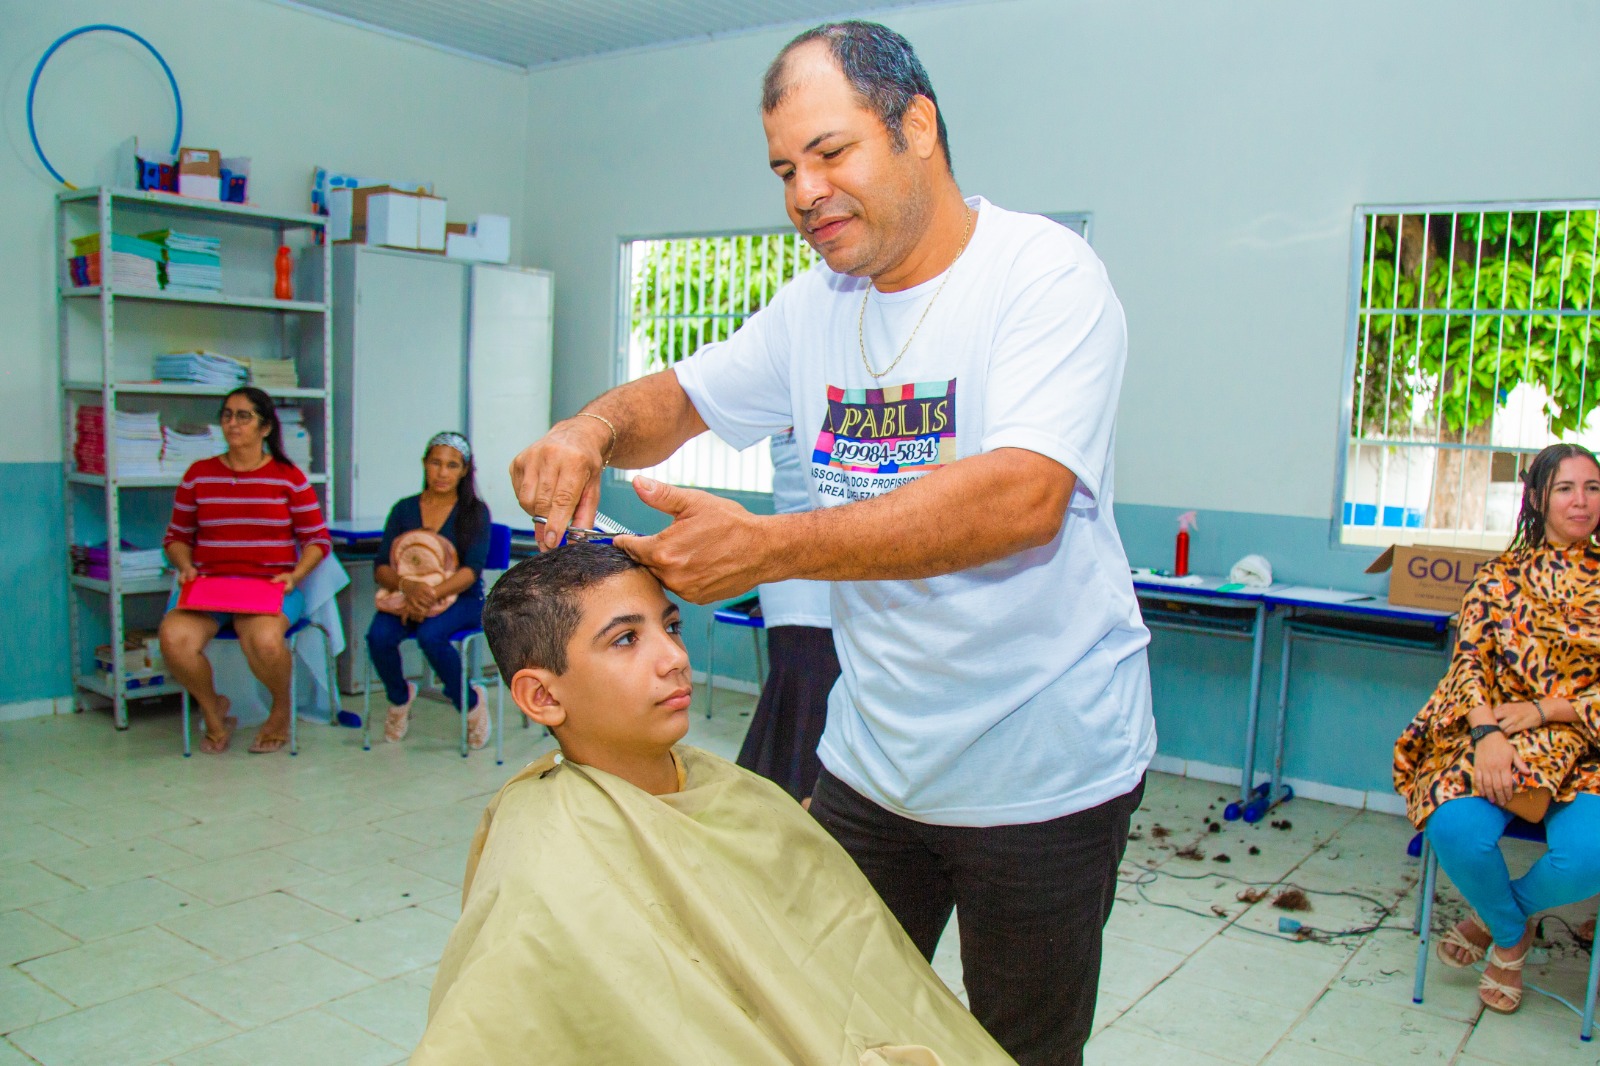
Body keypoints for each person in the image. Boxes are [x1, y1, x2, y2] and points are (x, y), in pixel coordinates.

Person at [508, 22, 1153, 1064]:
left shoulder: (1042, 274)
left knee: (1016, 1049)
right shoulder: (814, 308)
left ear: (917, 126)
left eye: (830, 152)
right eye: (782, 169)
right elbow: (676, 400)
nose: (804, 192)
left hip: (1040, 768)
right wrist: (588, 430)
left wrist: (771, 547)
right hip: (873, 761)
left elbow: (1020, 499)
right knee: (823, 1029)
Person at [412, 543, 1013, 1065]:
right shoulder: (543, 860)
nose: (673, 657)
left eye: (669, 627)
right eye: (625, 639)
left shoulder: (734, 791)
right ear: (542, 695)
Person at [1394, 442, 1600, 1015]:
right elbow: (1469, 664)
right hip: (1496, 738)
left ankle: (1494, 918)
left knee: (1592, 854)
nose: (1581, 501)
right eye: (1565, 488)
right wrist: (1487, 735)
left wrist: (1549, 710)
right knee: (1456, 827)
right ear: (1537, 497)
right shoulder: (1500, 577)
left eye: (1592, 488)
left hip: (1587, 749)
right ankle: (1513, 937)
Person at [160, 387, 331, 754]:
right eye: (227, 415)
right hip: (209, 590)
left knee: (266, 641)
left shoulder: (289, 477)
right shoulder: (199, 475)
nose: (232, 423)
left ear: (265, 427)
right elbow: (175, 536)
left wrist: (295, 575)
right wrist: (185, 564)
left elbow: (317, 539)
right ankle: (215, 711)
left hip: (269, 588)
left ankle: (281, 710)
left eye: (243, 416)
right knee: (174, 639)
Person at [366, 432, 493, 748]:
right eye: (435, 463)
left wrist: (429, 596)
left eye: (452, 465)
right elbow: (381, 566)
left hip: (462, 598)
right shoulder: (404, 510)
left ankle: (470, 702)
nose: (442, 472)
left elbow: (471, 570)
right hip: (406, 595)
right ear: (424, 464)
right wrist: (409, 587)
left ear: (464, 471)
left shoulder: (474, 512)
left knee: (430, 636)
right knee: (378, 637)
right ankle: (399, 697)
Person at [737, 428, 839, 803]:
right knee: (807, 719)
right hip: (815, 581)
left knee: (797, 713)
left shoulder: (796, 407)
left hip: (797, 579)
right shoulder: (817, 398)